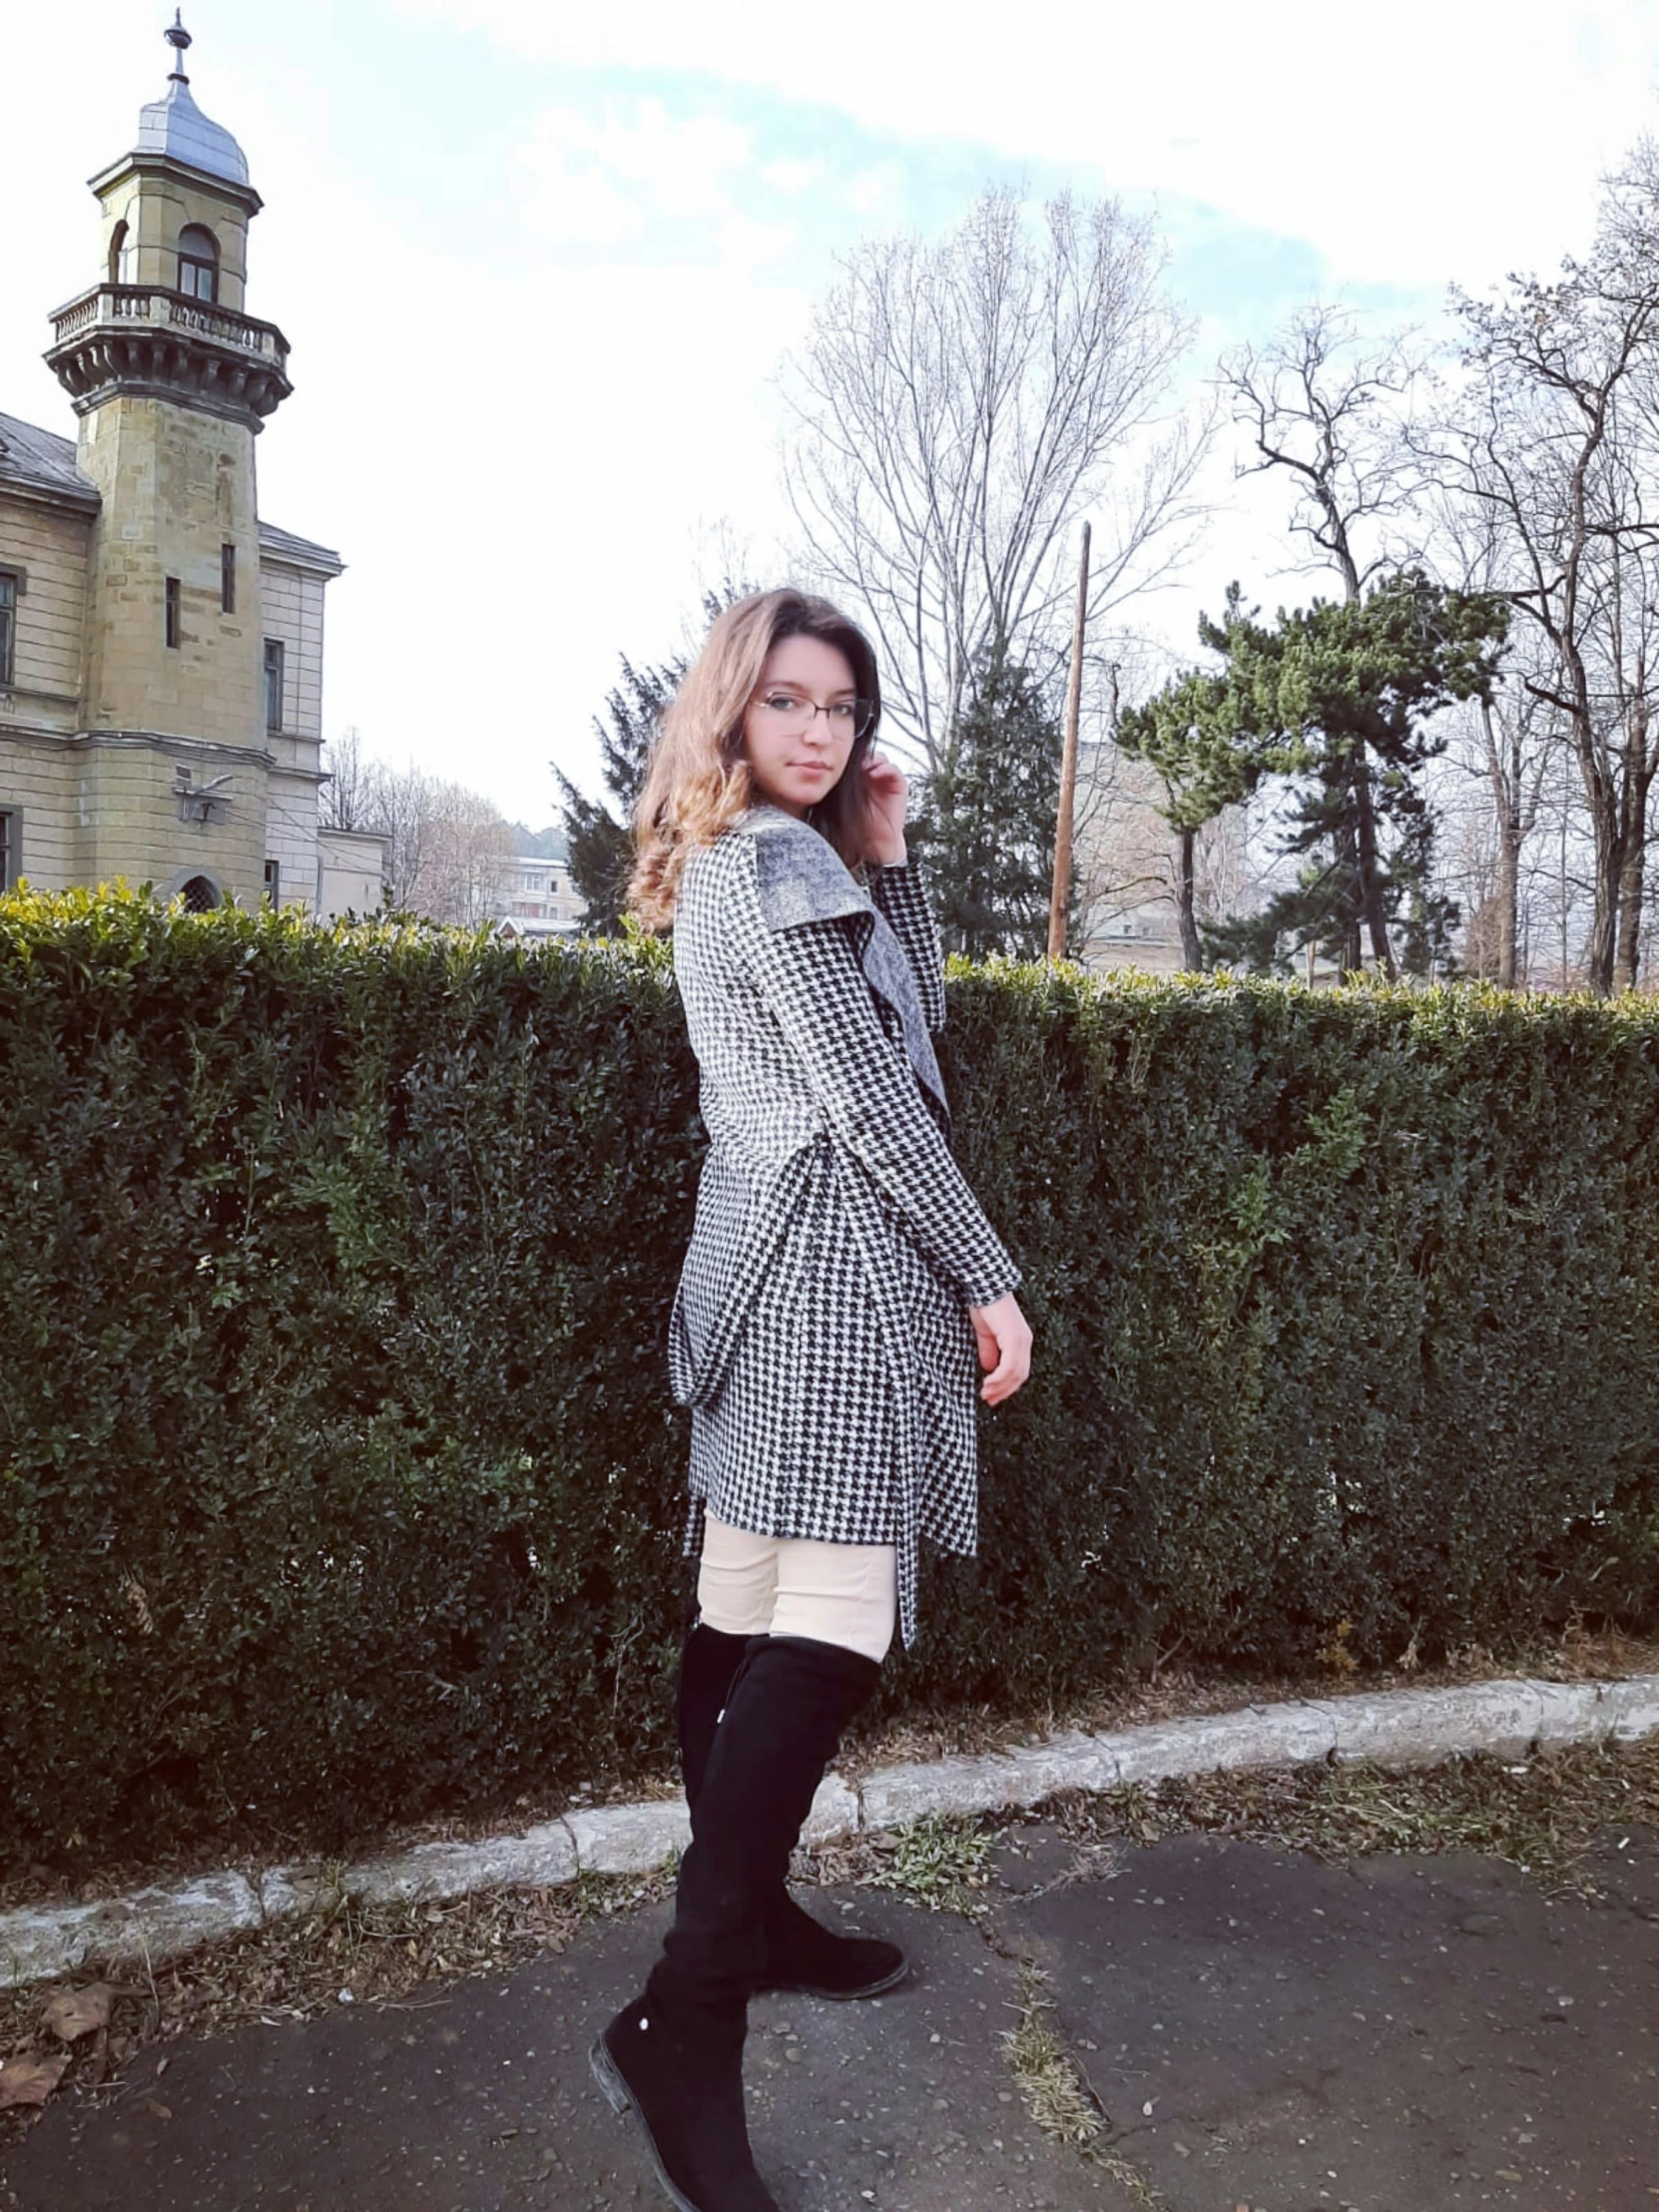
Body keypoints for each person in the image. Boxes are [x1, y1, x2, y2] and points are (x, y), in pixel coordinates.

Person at [589, 588, 1032, 2212]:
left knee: (747, 1606)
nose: (819, 731)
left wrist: (893, 857)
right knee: (825, 1636)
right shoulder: (771, 868)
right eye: (786, 701)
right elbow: (874, 1105)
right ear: (730, 710)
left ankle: (751, 1917)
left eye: (839, 707)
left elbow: (917, 1038)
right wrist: (986, 1274)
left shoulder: (776, 862)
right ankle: (683, 2025)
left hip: (766, 1272)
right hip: (831, 1283)